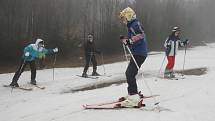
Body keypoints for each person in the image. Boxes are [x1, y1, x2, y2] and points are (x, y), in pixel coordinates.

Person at [119, 7, 148, 107]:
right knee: (130, 73)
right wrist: (125, 40)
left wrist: (130, 40)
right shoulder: (131, 25)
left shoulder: (135, 24)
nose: (123, 21)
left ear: (129, 16)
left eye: (124, 18)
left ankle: (133, 96)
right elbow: (133, 39)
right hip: (137, 53)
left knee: (129, 74)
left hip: (139, 53)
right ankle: (132, 93)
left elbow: (141, 35)